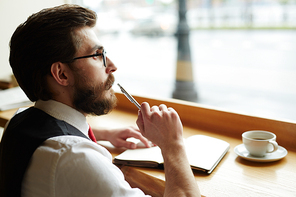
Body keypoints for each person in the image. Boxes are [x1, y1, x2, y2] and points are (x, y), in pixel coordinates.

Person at [0, 4, 201, 197]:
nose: (112, 65)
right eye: (97, 55)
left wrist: (103, 134)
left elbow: (53, 134)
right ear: (61, 74)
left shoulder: (18, 122)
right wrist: (173, 145)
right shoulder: (76, 156)